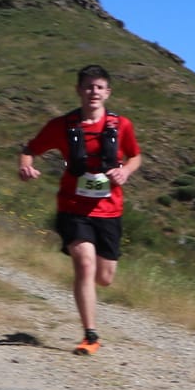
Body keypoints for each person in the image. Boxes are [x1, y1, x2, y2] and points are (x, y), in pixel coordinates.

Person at [18, 65, 142, 355]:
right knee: (85, 263)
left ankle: (91, 312)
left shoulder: (121, 125)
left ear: (108, 92)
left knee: (104, 277)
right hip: (73, 207)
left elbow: (135, 156)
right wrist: (25, 166)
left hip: (109, 210)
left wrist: (126, 171)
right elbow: (30, 150)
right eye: (88, 86)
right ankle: (90, 335)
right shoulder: (61, 126)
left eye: (99, 87)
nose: (93, 92)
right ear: (78, 90)